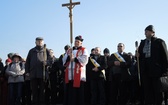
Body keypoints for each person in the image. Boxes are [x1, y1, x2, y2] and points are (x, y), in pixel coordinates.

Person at [137, 25, 168, 105]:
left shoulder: (159, 42)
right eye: (145, 32)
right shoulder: (142, 43)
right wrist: (137, 55)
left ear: (152, 32)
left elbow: (165, 57)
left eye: (146, 31)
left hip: (156, 71)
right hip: (145, 70)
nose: (145, 33)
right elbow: (139, 56)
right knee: (147, 91)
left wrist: (165, 71)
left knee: (158, 91)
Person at [62, 35, 89, 105]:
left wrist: (75, 59)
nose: (76, 43)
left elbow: (85, 60)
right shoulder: (69, 50)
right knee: (70, 92)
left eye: (78, 41)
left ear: (81, 43)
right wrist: (68, 57)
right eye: (75, 41)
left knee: (79, 93)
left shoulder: (83, 50)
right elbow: (64, 60)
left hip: (79, 74)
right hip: (70, 74)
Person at [25, 37, 51, 105]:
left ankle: (42, 103)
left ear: (43, 42)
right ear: (35, 42)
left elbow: (51, 60)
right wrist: (27, 71)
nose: (39, 42)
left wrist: (46, 63)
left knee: (42, 91)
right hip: (33, 73)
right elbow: (27, 62)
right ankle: (34, 103)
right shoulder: (31, 51)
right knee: (34, 91)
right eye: (38, 41)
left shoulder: (46, 51)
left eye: (41, 41)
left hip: (43, 74)